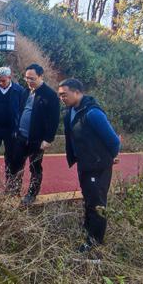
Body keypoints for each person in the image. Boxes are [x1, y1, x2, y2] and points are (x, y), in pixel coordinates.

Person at [58, 78, 120, 253]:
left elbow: (114, 141)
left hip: (98, 166)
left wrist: (110, 157)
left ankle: (95, 243)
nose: (62, 98)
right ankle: (88, 230)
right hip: (85, 164)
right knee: (88, 199)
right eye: (60, 95)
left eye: (64, 94)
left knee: (97, 204)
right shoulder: (71, 111)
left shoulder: (93, 113)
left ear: (77, 92)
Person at [8, 63, 59, 204]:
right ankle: (14, 190)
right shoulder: (25, 91)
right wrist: (16, 130)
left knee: (35, 167)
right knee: (16, 164)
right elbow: (20, 111)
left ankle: (31, 194)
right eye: (27, 78)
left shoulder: (50, 95)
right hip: (21, 136)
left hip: (37, 139)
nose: (29, 81)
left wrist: (48, 139)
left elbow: (54, 120)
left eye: (32, 78)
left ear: (41, 76)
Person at [0, 67, 24, 187]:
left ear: (9, 78)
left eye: (3, 81)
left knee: (10, 155)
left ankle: (10, 180)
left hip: (11, 128)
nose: (0, 83)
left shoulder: (19, 90)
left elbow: (21, 109)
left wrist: (18, 127)